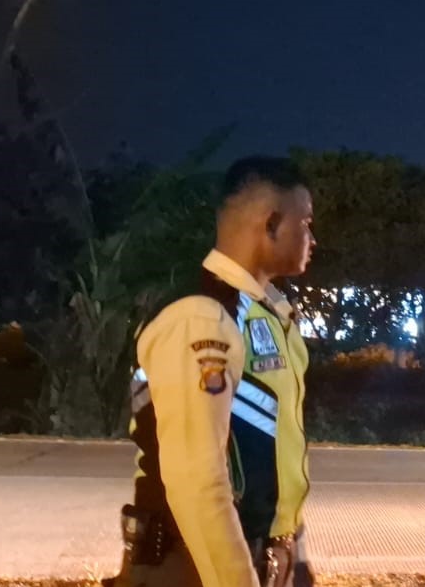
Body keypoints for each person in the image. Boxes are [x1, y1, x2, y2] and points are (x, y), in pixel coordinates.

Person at [107, 157, 317, 587]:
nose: (312, 239)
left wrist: (296, 558)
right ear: (271, 224)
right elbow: (197, 482)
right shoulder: (201, 316)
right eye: (306, 224)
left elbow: (280, 459)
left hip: (259, 563)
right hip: (191, 569)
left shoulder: (269, 312)